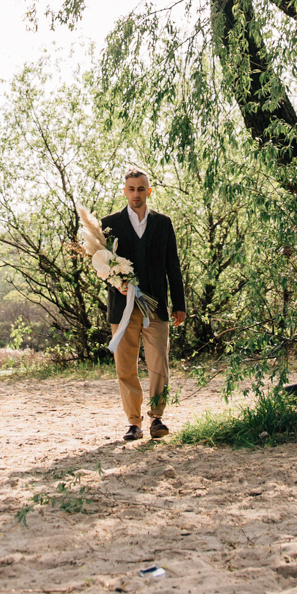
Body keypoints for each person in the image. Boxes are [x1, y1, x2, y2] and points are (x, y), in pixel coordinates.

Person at [100, 168, 185, 442]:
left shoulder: (163, 223)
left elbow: (173, 265)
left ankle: (157, 418)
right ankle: (133, 423)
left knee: (159, 362)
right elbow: (101, 266)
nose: (136, 194)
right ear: (124, 191)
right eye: (131, 189)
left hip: (156, 306)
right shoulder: (109, 224)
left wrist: (179, 304)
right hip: (121, 309)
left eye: (141, 189)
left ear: (149, 191)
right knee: (125, 367)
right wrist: (115, 282)